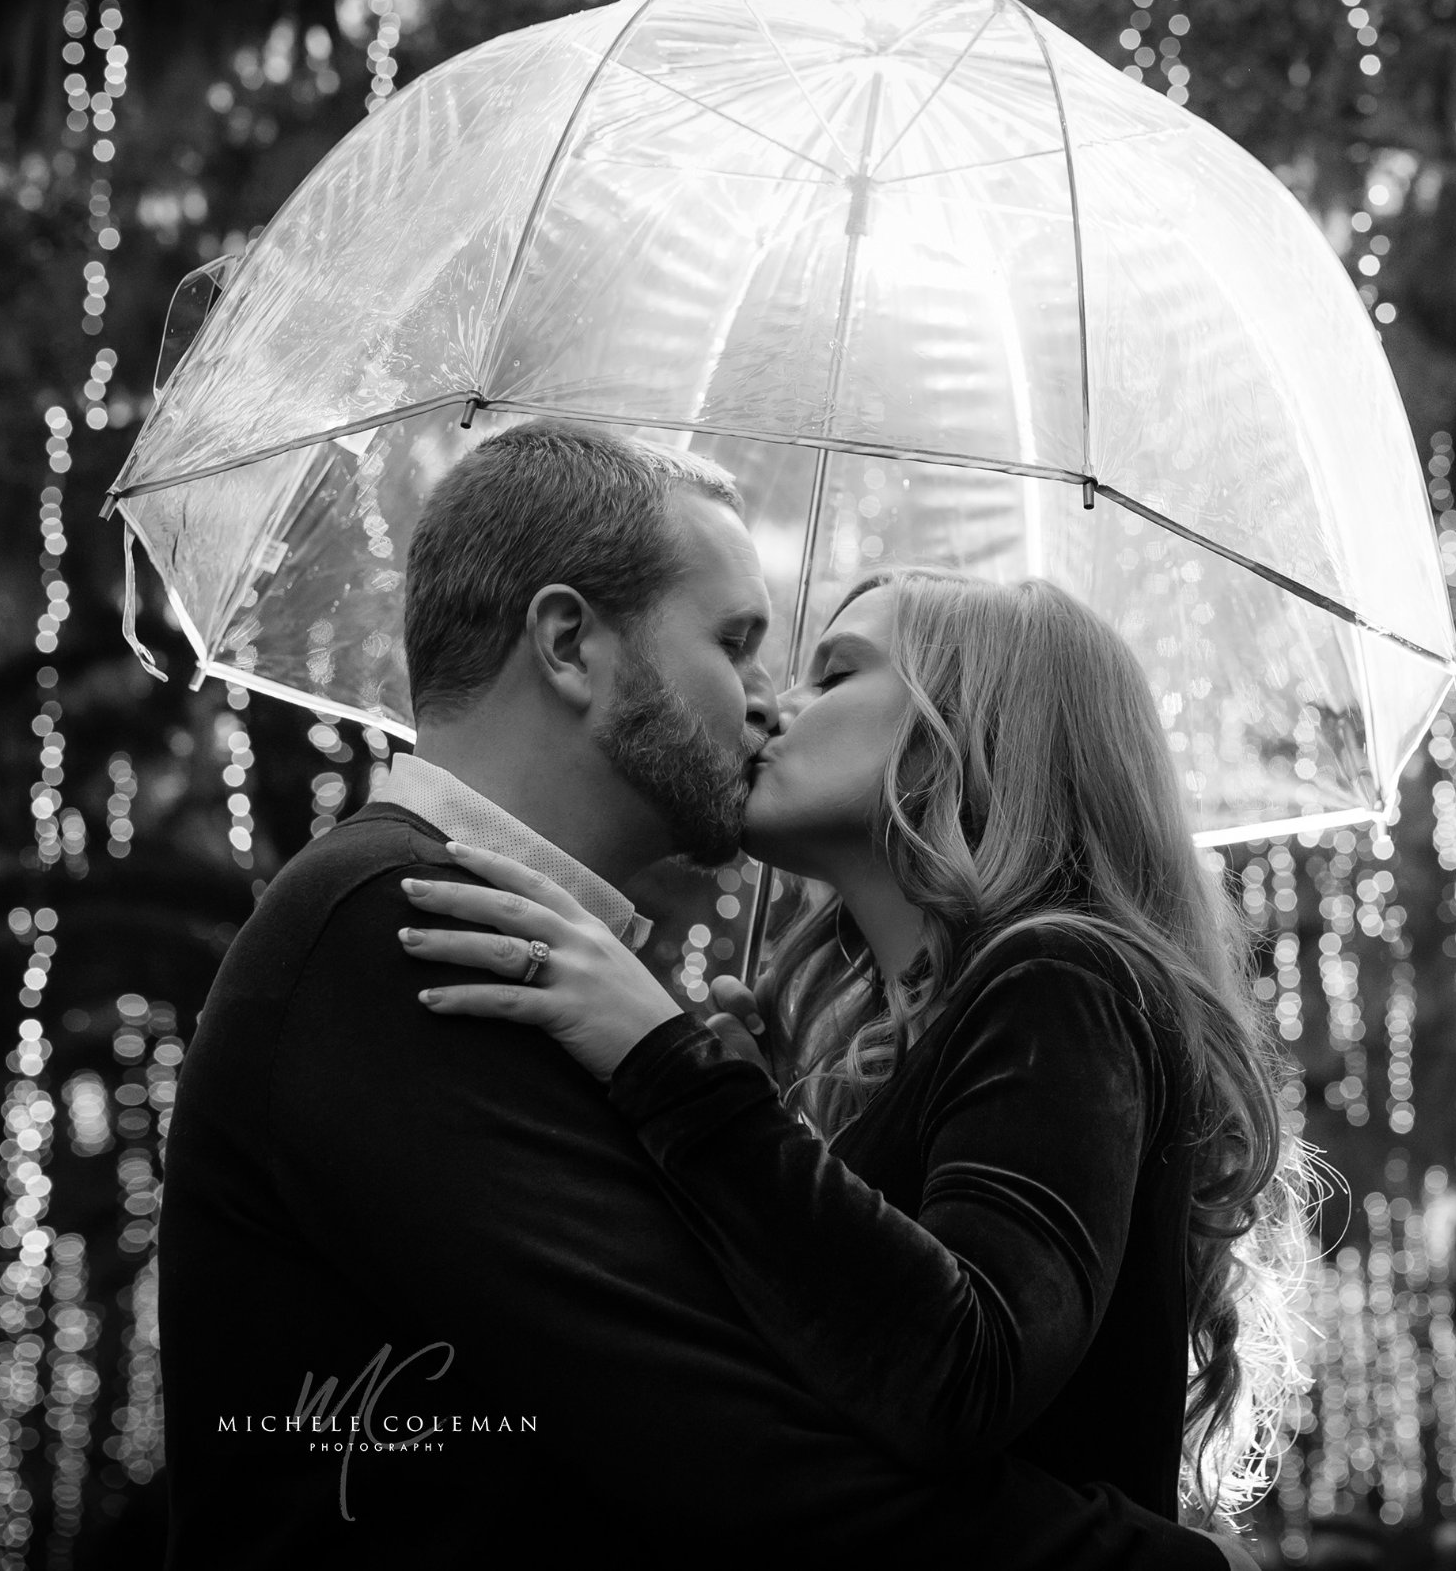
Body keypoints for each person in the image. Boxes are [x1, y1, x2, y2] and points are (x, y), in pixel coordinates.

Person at [156, 420, 1247, 1569]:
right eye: (739, 643)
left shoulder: (546, 957)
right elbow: (739, 1455)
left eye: (823, 669)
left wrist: (716, 1109)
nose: (766, 700)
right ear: (570, 643)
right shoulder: (409, 920)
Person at [398, 565, 1315, 1532]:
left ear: (964, 732)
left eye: (834, 677)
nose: (768, 706)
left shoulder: (1062, 979)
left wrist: (672, 1071)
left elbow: (962, 1377)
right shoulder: (908, 1047)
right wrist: (739, 1133)